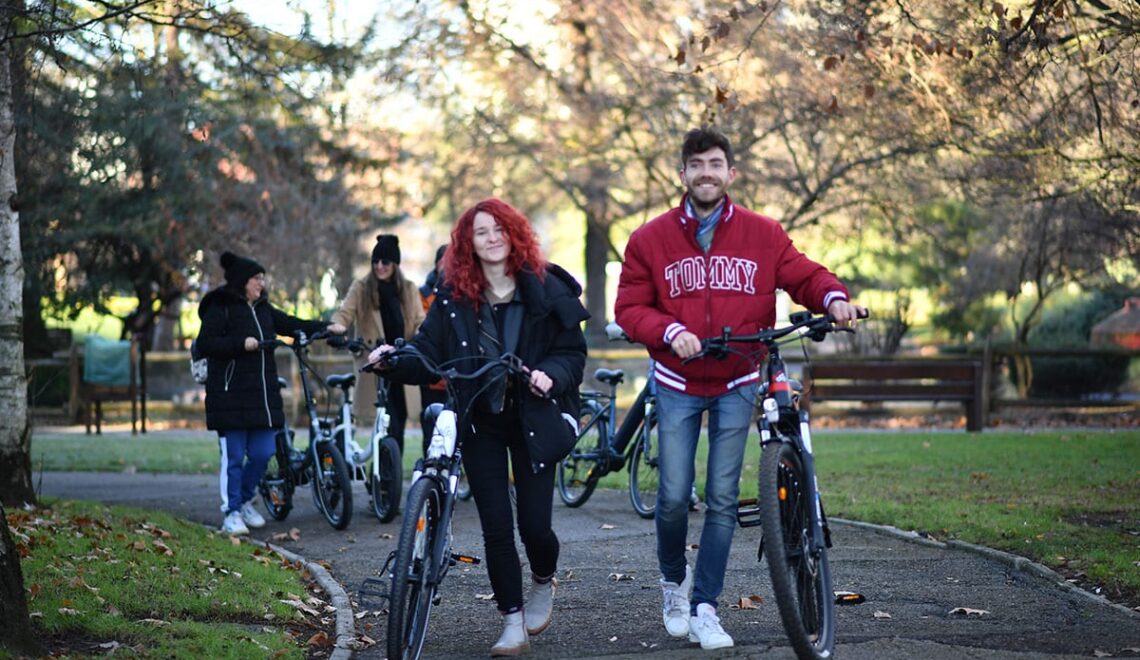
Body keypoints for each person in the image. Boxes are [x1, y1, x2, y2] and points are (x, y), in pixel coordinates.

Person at [614, 127, 866, 650]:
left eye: (715, 164)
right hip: (678, 380)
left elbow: (803, 274)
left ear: (731, 173)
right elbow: (630, 309)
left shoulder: (763, 234)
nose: (706, 173)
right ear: (681, 174)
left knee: (723, 498)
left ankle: (706, 605)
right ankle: (672, 584)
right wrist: (670, 330)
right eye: (696, 165)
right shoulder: (648, 239)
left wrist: (834, 298)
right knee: (673, 499)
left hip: (737, 377)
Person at [368, 198, 588, 657]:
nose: (491, 239)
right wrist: (391, 360)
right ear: (468, 242)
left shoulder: (546, 289)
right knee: (496, 526)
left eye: (499, 230)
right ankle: (511, 620)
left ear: (514, 235)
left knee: (535, 528)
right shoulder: (454, 296)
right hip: (480, 421)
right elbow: (427, 351)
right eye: (481, 232)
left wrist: (550, 374)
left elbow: (572, 353)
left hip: (534, 418)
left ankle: (543, 581)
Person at [196, 251, 346, 536]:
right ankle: (231, 512)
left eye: (262, 279)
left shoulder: (263, 309)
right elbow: (206, 343)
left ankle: (244, 501)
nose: (261, 284)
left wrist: (326, 328)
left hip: (262, 399)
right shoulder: (220, 307)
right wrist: (242, 343)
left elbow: (290, 323)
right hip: (230, 398)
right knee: (235, 456)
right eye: (256, 279)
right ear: (242, 281)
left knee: (264, 453)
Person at [330, 234, 425, 454]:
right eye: (375, 262)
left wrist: (421, 341)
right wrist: (337, 327)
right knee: (384, 419)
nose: (379, 266)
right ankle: (382, 476)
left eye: (385, 262)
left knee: (398, 421)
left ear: (395, 264)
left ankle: (391, 478)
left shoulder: (409, 289)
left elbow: (421, 322)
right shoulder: (361, 288)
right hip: (375, 364)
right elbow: (344, 313)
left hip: (402, 363)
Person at [417, 244, 450, 452]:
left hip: (455, 370)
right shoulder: (425, 294)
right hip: (431, 369)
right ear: (437, 265)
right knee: (430, 416)